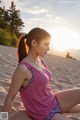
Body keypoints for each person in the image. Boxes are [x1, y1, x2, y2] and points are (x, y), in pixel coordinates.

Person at [3, 27, 80, 120]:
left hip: (53, 100)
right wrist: (3, 119)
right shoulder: (23, 69)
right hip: (44, 113)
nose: (48, 48)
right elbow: (9, 99)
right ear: (34, 43)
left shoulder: (40, 60)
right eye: (46, 44)